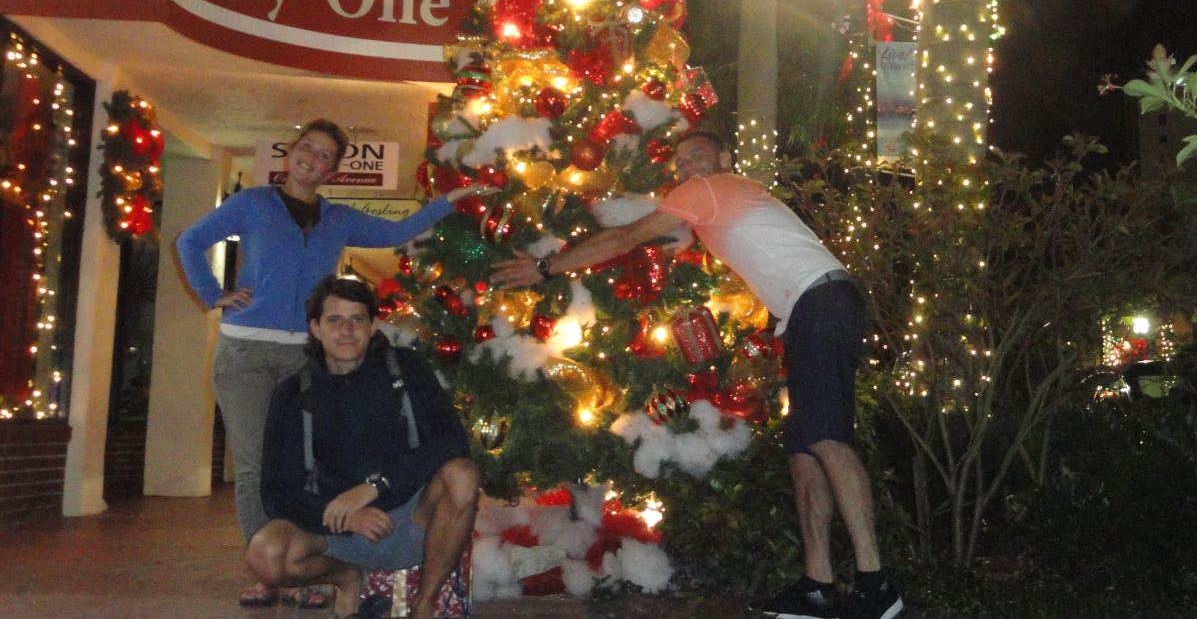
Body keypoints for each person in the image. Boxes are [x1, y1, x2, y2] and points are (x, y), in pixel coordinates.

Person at [491, 129, 901, 619]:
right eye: (680, 161)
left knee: (828, 439)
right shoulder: (720, 199)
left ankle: (875, 585)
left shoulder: (709, 188)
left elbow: (624, 238)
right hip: (809, 311)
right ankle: (818, 586)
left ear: (723, 157)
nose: (687, 166)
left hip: (821, 302)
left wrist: (545, 267)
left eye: (697, 155)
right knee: (804, 452)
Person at [177, 119, 490, 609]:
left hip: (307, 353)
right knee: (256, 465)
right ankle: (268, 573)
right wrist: (213, 294)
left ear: (333, 170)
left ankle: (315, 559)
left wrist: (449, 200)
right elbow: (189, 241)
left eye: (325, 156)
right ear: (291, 152)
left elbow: (397, 231)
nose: (313, 159)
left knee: (309, 461)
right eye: (307, 148)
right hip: (247, 351)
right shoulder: (252, 203)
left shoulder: (338, 218)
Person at [247, 277, 479, 619]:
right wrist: (348, 517)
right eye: (334, 320)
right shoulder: (294, 393)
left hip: (410, 517)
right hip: (336, 527)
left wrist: (376, 486)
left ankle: (424, 604)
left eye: (357, 319)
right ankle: (346, 576)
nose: (347, 330)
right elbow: (276, 492)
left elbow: (451, 440)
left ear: (373, 326)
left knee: (462, 474)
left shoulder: (405, 368)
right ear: (315, 328)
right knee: (264, 554)